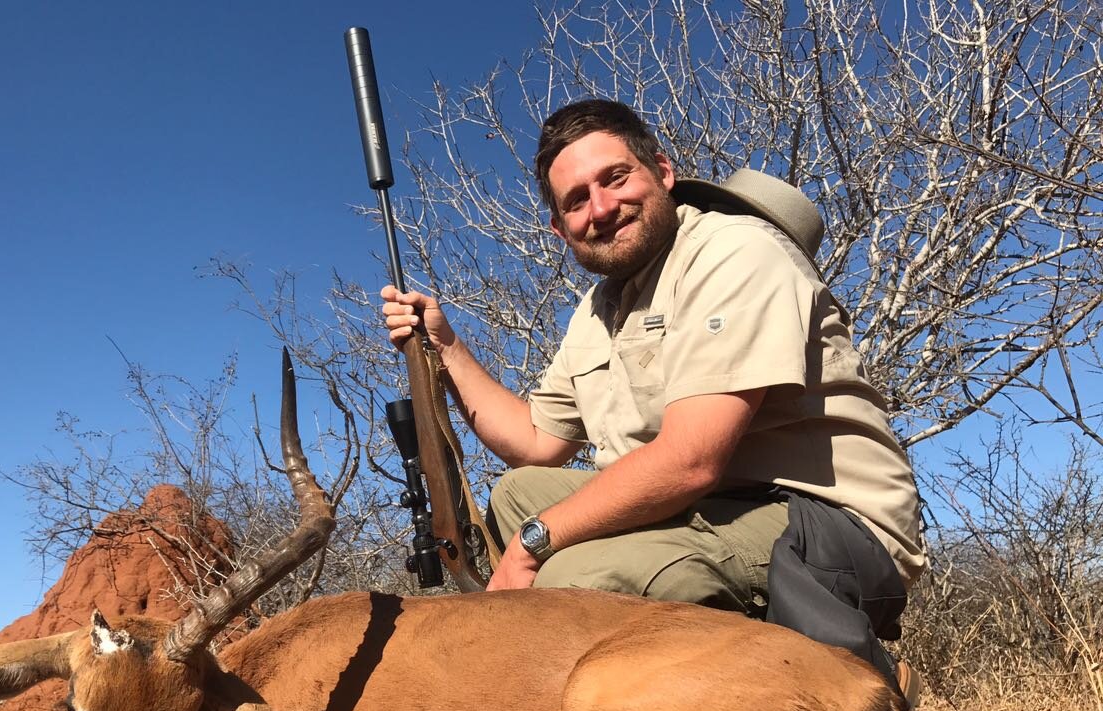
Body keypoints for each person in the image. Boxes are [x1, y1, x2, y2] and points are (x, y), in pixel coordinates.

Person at [381, 99, 924, 645]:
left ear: (662, 172)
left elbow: (690, 461)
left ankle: (829, 684)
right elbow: (536, 443)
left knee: (573, 581)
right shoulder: (599, 308)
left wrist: (531, 546)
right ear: (558, 227)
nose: (600, 208)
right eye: (576, 201)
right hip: (713, 505)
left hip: (826, 526)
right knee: (520, 492)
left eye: (615, 178)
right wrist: (445, 347)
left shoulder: (733, 249)